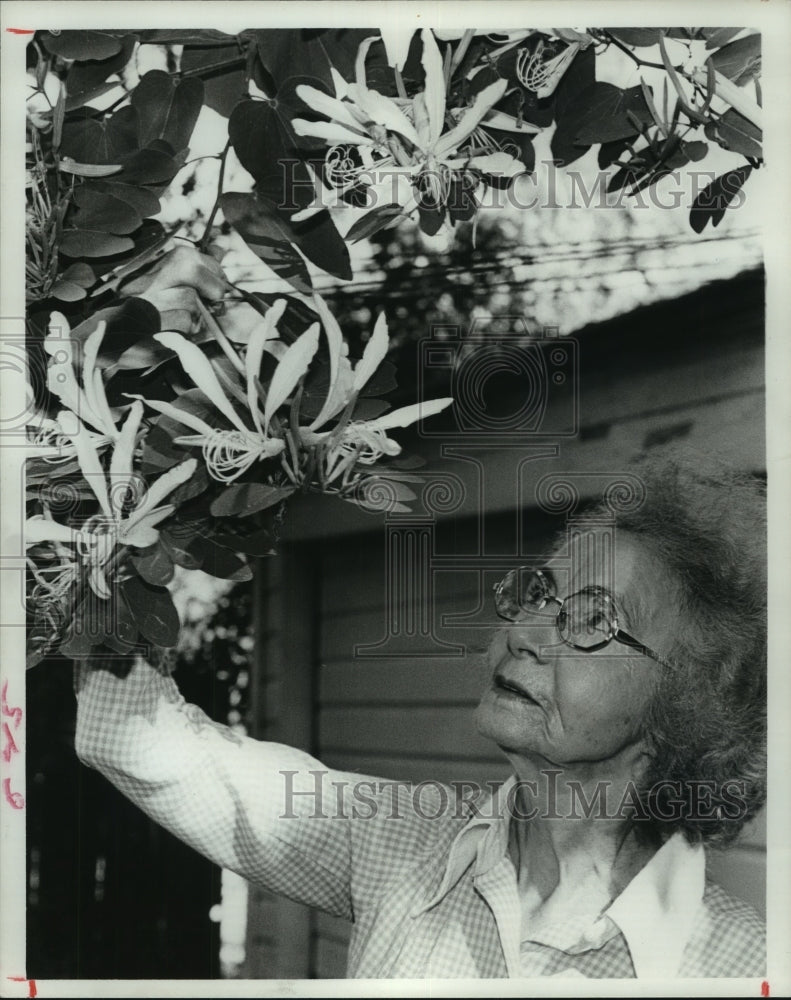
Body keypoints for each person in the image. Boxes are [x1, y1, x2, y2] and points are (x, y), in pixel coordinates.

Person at [73, 251, 767, 979]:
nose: (525, 633)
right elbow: (134, 737)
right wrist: (121, 403)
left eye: (590, 620)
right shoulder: (398, 843)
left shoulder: (739, 967)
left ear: (692, 702)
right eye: (537, 595)